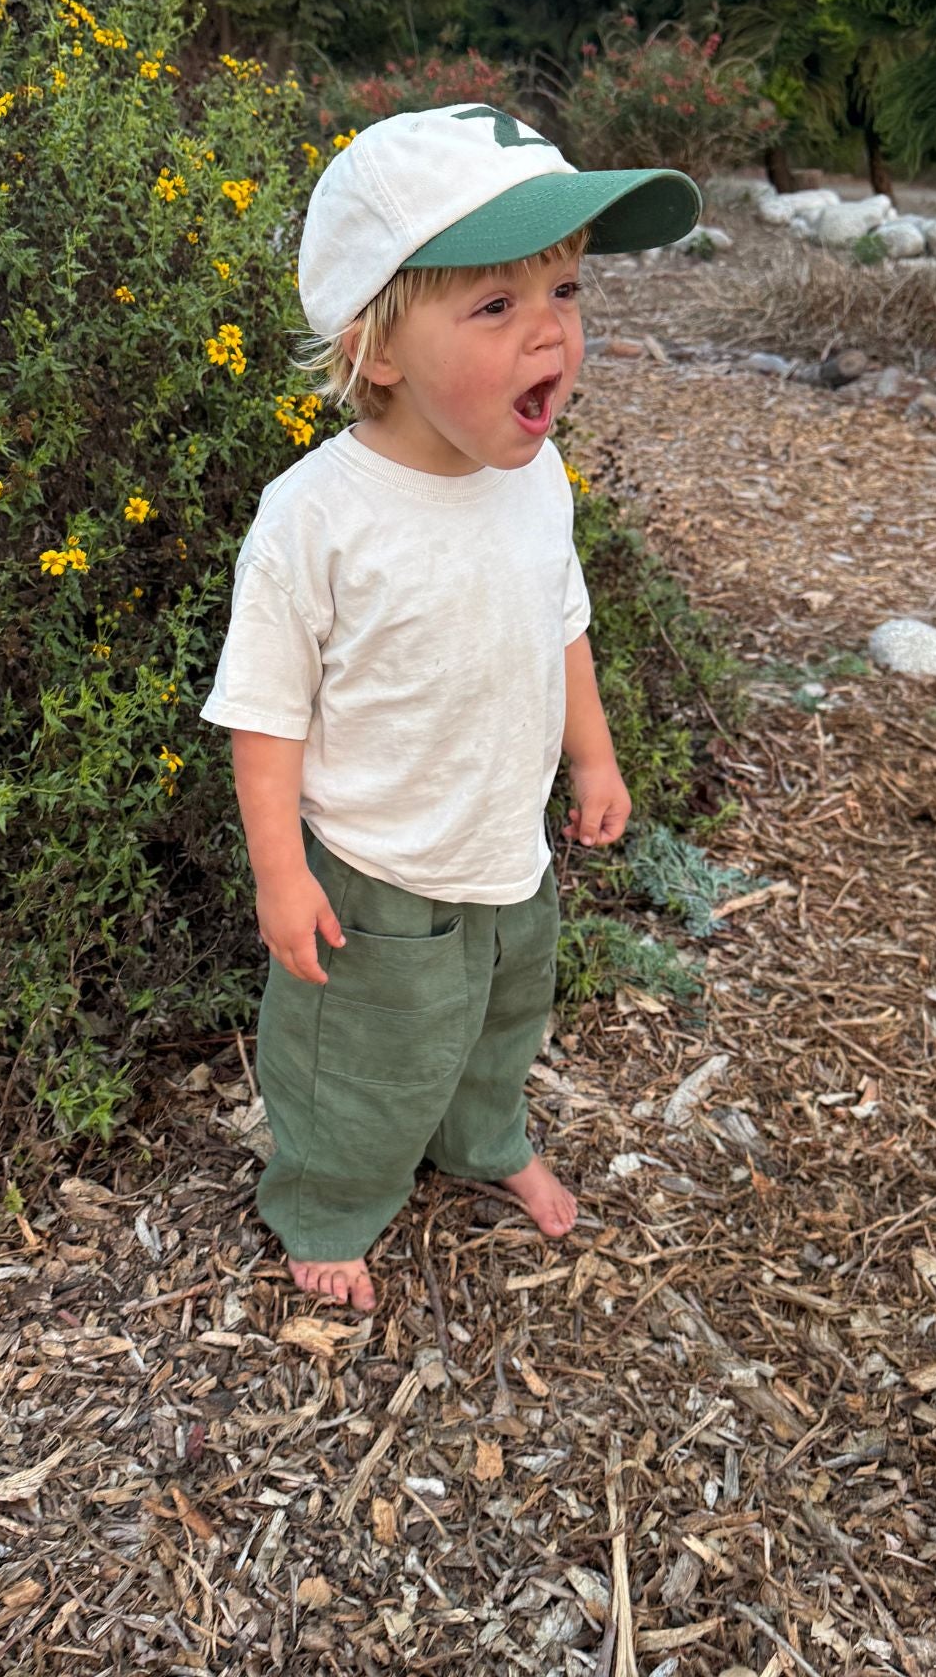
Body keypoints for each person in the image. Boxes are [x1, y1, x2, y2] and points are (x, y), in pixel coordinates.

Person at [200, 103, 700, 1311]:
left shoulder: (536, 481)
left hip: (506, 850)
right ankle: (328, 1200)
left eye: (565, 290)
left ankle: (482, 1138)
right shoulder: (320, 516)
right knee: (361, 1060)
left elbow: (560, 621)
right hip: (376, 871)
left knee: (499, 1020)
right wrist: (281, 873)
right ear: (378, 346)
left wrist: (594, 757)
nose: (550, 333)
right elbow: (266, 711)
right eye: (495, 305)